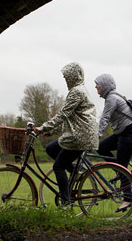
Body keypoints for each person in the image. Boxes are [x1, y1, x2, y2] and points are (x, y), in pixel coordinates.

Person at [35, 62, 98, 206]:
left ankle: (66, 202)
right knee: (51, 149)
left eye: (66, 78)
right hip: (79, 133)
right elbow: (69, 117)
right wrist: (51, 130)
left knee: (58, 166)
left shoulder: (77, 91)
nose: (65, 81)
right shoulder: (79, 90)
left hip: (80, 136)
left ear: (72, 77)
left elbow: (63, 114)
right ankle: (75, 173)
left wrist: (43, 127)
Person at [94, 73, 132, 212]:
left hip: (130, 133)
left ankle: (128, 199)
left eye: (98, 84)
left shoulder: (112, 98)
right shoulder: (112, 97)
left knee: (122, 166)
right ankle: (122, 172)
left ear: (104, 85)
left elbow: (104, 119)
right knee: (101, 147)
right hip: (123, 133)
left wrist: (96, 136)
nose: (95, 86)